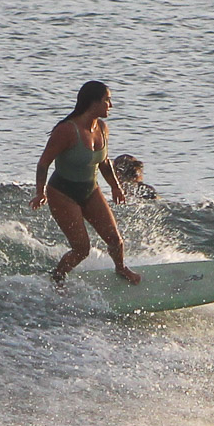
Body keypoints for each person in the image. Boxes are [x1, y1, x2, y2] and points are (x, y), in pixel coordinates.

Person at [28, 81, 141, 284]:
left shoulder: (102, 129)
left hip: (90, 189)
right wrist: (40, 192)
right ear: (93, 102)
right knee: (82, 249)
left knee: (115, 240)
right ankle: (57, 278)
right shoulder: (67, 131)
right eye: (107, 100)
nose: (111, 105)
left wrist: (115, 186)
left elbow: (104, 162)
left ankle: (121, 268)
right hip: (63, 193)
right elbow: (44, 163)